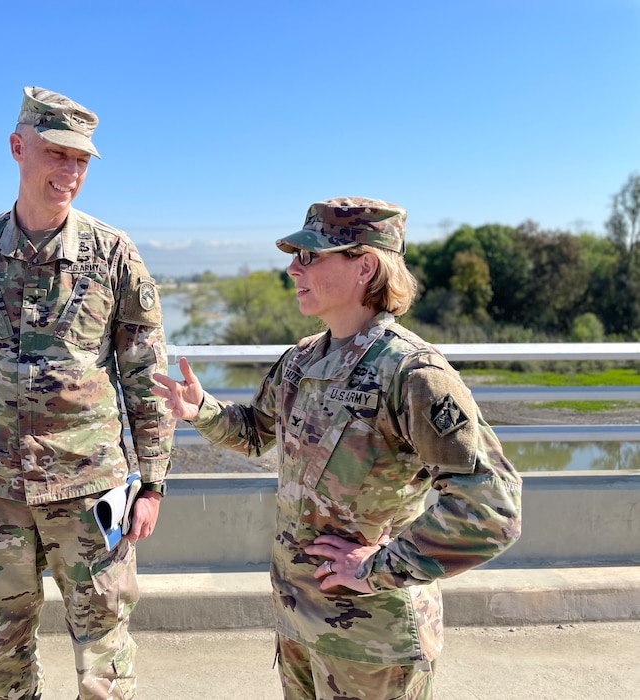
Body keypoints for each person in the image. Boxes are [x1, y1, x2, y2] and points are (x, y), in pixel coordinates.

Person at [152, 197, 523, 700]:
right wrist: (203, 411)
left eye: (310, 257)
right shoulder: (302, 359)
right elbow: (259, 432)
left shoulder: (413, 374)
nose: (292, 269)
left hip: (374, 644)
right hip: (298, 624)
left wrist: (377, 568)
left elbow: (492, 507)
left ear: (365, 266)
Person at [0, 86, 175, 700]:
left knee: (104, 660)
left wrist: (154, 480)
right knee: (4, 653)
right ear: (18, 148)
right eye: (57, 154)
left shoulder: (113, 254)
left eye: (82, 160)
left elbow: (145, 376)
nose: (70, 172)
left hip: (92, 492)